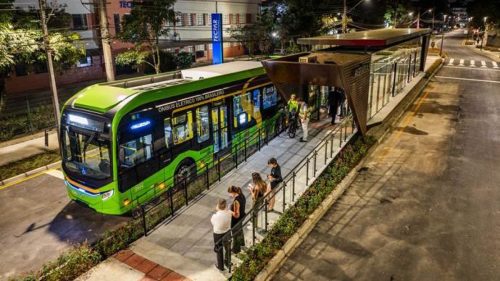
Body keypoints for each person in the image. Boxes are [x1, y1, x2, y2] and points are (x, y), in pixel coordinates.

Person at [211, 198, 232, 271]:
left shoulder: (215, 216)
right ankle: (228, 262)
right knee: (228, 248)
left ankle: (221, 266)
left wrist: (217, 210)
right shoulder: (229, 212)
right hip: (227, 232)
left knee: (219, 250)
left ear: (218, 206)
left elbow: (213, 223)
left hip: (218, 234)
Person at [228, 186, 246, 254]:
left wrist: (230, 211)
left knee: (235, 234)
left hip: (236, 220)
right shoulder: (242, 195)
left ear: (233, 192)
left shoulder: (236, 201)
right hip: (242, 216)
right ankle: (242, 243)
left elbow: (236, 215)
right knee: (240, 231)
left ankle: (236, 249)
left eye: (230, 193)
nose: (230, 195)